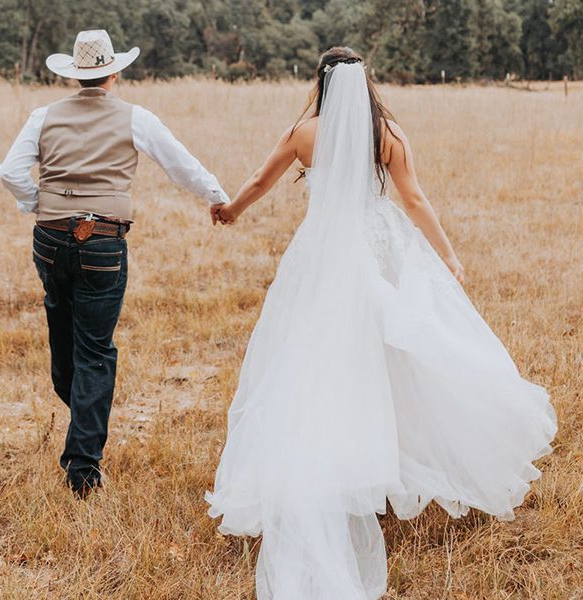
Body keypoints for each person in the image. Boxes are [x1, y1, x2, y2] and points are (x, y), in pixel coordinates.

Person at [205, 47, 557, 598]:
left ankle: (343, 463)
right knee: (394, 353)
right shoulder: (387, 131)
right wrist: (448, 256)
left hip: (320, 255)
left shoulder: (304, 133)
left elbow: (260, 179)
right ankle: (383, 462)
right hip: (375, 248)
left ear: (320, 82)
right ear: (364, 82)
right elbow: (414, 199)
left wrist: (230, 211)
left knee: (316, 360)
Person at [0, 30, 229, 498]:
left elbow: (9, 171)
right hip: (102, 242)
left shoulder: (43, 116)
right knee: (96, 352)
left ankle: (81, 420)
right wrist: (218, 197)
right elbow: (180, 165)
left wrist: (34, 203)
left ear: (75, 73)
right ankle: (83, 468)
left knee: (62, 335)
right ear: (115, 71)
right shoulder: (134, 118)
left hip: (49, 240)